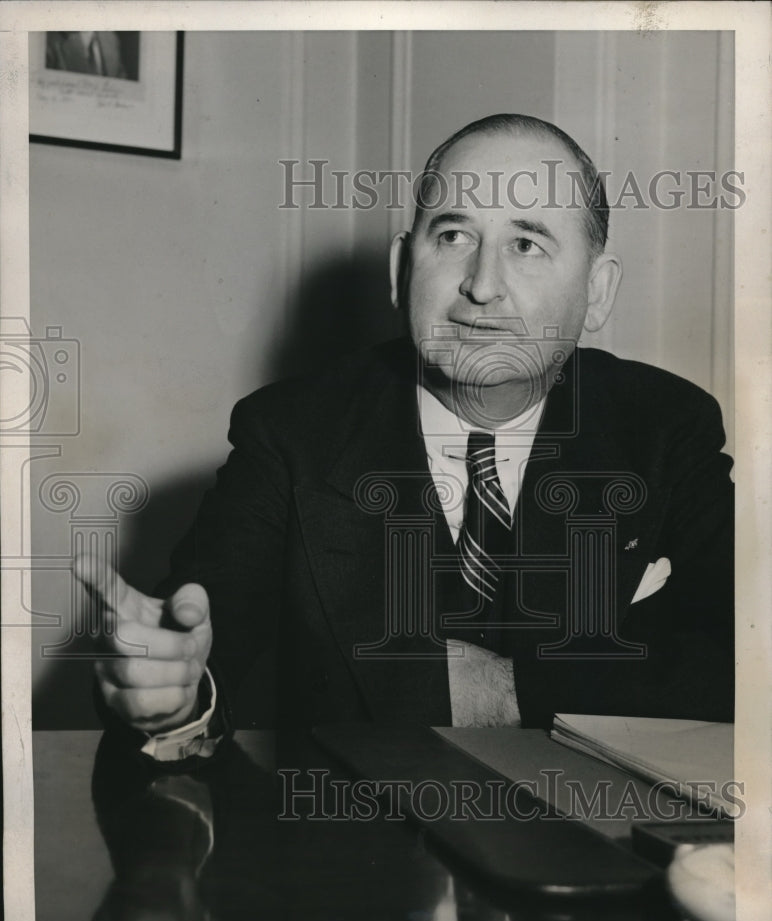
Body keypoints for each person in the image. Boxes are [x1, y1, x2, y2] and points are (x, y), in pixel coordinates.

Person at [75, 114, 733, 764]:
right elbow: (198, 650)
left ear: (596, 291)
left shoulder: (668, 427)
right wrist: (176, 697)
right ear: (400, 270)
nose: (481, 285)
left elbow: (750, 654)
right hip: (351, 847)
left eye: (527, 244)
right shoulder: (290, 433)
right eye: (452, 236)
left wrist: (510, 690)